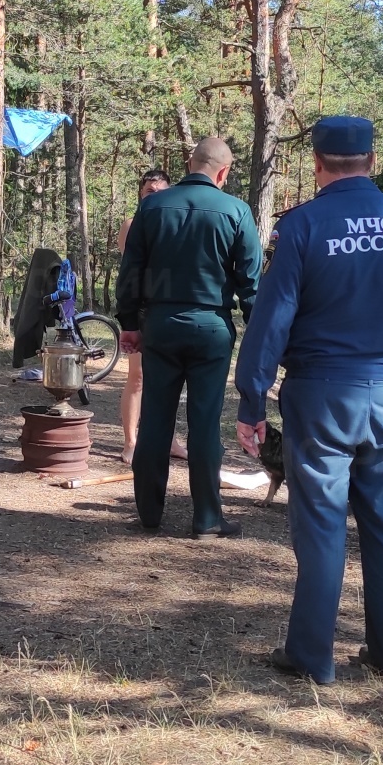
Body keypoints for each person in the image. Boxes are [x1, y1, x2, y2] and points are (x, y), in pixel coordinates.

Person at [235, 117, 383, 686]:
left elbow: (270, 320)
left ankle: (312, 656)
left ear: (318, 164)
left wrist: (251, 400)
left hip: (323, 396)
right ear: (372, 160)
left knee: (323, 524)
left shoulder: (303, 226)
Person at [115, 138, 261, 537]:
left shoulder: (152, 206)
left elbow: (131, 270)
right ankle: (207, 518)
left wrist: (129, 322)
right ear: (224, 172)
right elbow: (250, 283)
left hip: (161, 324)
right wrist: (260, 333)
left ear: (189, 163)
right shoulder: (237, 211)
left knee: (156, 419)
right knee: (205, 422)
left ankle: (148, 513)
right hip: (212, 328)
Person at [116, 169, 187, 464]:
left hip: (172, 309)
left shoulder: (179, 223)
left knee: (171, 379)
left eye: (161, 192)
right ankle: (131, 442)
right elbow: (133, 270)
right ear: (140, 195)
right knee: (139, 376)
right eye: (149, 192)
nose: (155, 197)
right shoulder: (132, 225)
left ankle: (169, 439)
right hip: (143, 310)